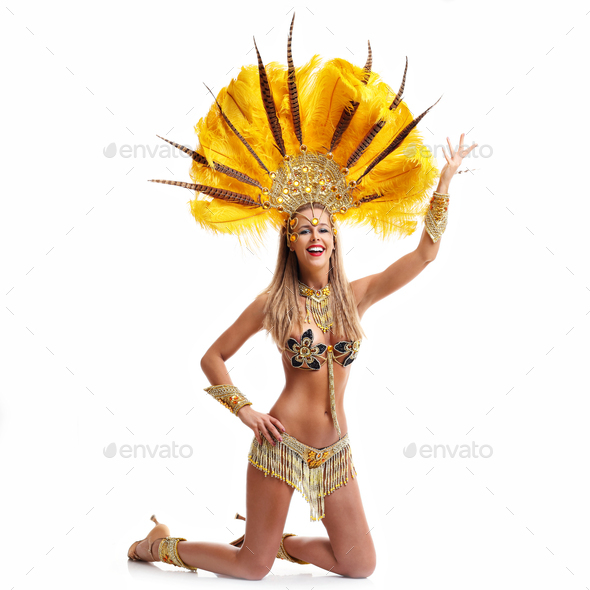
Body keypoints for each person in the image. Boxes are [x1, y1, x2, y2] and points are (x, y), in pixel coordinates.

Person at [127, 13, 477, 579]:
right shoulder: (273, 303)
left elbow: (422, 257)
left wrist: (444, 187)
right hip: (281, 443)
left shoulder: (356, 297)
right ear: (291, 242)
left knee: (359, 566)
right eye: (303, 229)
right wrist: (246, 413)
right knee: (251, 569)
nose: (315, 235)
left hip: (336, 451)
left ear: (335, 239)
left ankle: (280, 539)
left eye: (323, 227)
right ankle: (156, 545)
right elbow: (212, 357)